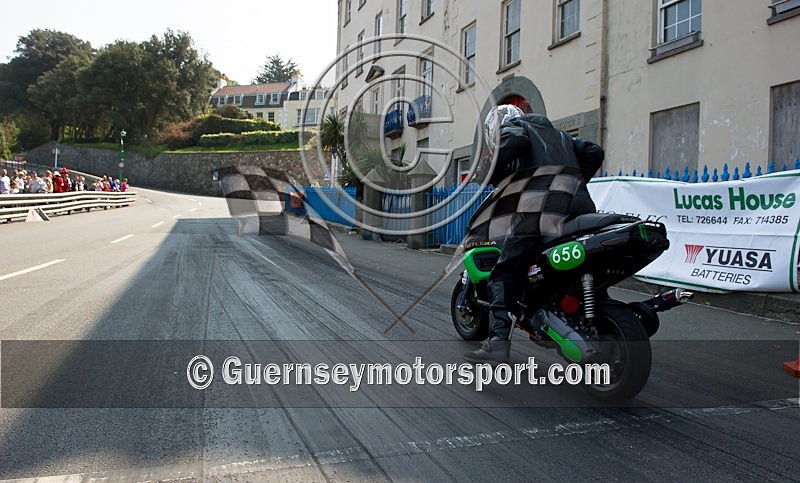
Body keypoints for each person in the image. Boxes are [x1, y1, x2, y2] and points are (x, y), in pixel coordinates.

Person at [463, 105, 604, 364]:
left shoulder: (517, 128)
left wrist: (489, 168)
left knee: (503, 273)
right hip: (580, 206)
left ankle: (497, 341)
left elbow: (514, 141)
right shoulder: (559, 136)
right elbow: (595, 152)